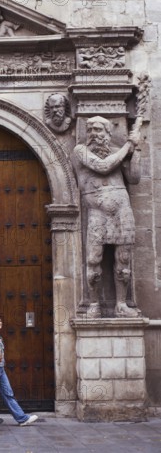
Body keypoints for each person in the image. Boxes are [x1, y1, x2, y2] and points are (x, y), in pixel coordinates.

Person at [72, 116, 141, 318]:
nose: (94, 134)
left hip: (122, 209)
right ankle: (94, 305)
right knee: (94, 259)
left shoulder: (118, 153)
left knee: (124, 259)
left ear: (109, 133)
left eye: (99, 130)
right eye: (91, 129)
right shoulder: (81, 151)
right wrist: (128, 145)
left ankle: (121, 304)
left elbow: (134, 178)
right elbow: (103, 166)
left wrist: (136, 150)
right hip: (97, 212)